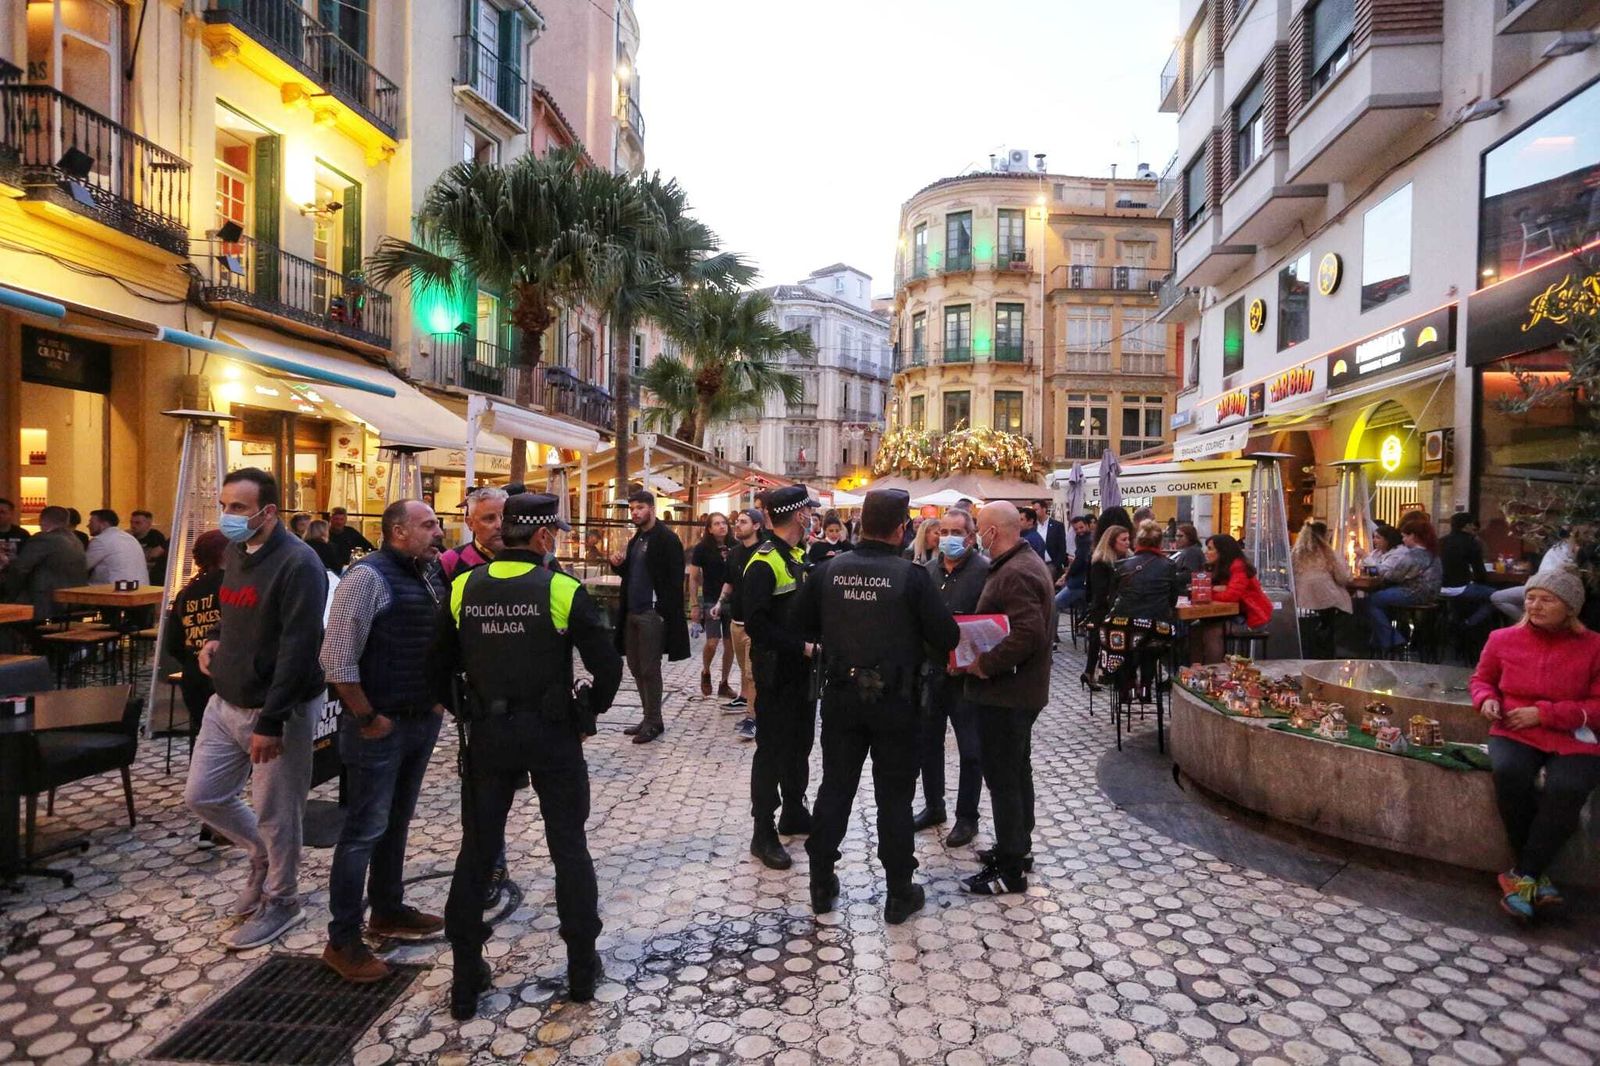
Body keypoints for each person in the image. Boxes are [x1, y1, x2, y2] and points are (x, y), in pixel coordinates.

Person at [429, 492, 623, 1018]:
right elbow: (607, 667)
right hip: (552, 734)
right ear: (542, 536)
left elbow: (435, 666)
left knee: (476, 852)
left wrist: (466, 710)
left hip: (489, 735)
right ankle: (580, 969)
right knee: (569, 848)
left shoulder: (463, 586)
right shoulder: (560, 588)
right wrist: (590, 710)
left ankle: (465, 978)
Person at [794, 488, 959, 923]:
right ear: (902, 528)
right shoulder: (912, 577)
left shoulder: (828, 571)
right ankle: (899, 892)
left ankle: (820, 881)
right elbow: (947, 636)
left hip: (841, 696)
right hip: (897, 702)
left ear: (861, 525)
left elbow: (801, 624)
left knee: (835, 788)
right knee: (894, 797)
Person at [184, 468, 328, 951]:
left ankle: (282, 899)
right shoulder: (235, 552)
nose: (227, 516)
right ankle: (261, 856)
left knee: (277, 812)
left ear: (268, 512)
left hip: (277, 708)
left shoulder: (299, 563)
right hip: (225, 699)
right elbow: (234, 609)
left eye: (238, 508)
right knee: (203, 795)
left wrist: (272, 720)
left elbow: (299, 648)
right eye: (224, 505)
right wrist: (214, 638)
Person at [318, 499, 449, 983]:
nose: (439, 532)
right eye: (428, 525)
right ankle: (342, 940)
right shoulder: (367, 578)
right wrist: (367, 717)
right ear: (398, 532)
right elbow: (336, 657)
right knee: (363, 831)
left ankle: (388, 908)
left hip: (418, 719)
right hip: (379, 726)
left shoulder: (427, 575)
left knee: (396, 821)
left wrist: (436, 700)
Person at [1471, 569, 1600, 921]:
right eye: (1531, 598)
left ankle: (1524, 874)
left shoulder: (1593, 647)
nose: (1535, 605)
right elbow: (1482, 680)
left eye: (1547, 599)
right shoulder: (1502, 638)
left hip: (1571, 734)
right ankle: (1533, 878)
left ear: (1570, 607)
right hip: (1514, 728)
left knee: (1568, 787)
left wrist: (1545, 714)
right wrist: (1486, 700)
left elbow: (1596, 705)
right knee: (1509, 772)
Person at [960, 503, 1054, 895]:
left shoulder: (1016, 572)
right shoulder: (1021, 563)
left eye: (978, 528)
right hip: (1016, 692)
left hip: (1008, 694)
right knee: (1016, 771)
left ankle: (1011, 869)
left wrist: (986, 664)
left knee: (1004, 779)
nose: (975, 536)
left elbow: (1028, 633)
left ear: (993, 532)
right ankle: (1017, 845)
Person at [744, 485, 819, 870]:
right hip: (776, 673)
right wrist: (802, 647)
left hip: (801, 674)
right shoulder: (764, 562)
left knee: (799, 744)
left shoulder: (797, 555)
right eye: (810, 512)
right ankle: (763, 831)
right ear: (801, 515)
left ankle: (793, 809)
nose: (813, 517)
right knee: (771, 750)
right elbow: (755, 624)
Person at [913, 507, 989, 847]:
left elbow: (991, 624)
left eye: (955, 533)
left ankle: (967, 816)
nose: (947, 538)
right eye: (942, 532)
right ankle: (934, 806)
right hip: (932, 672)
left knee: (971, 749)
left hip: (967, 676)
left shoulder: (984, 572)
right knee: (929, 744)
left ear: (970, 537)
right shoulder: (927, 571)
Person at [607, 489, 689, 744]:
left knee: (649, 668)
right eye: (632, 509)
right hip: (632, 610)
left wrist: (665, 612)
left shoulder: (666, 539)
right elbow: (632, 573)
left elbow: (675, 580)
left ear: (652, 509)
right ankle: (648, 717)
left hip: (652, 613)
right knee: (634, 666)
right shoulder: (638, 538)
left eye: (640, 508)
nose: (635, 513)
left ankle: (654, 721)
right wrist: (618, 565)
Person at [164, 529, 229, 751]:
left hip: (194, 676)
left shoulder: (185, 592)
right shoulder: (235, 586)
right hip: (228, 677)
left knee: (205, 740)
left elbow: (173, 643)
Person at [1096, 520, 1181, 685]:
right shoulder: (1169, 565)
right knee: (1152, 647)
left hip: (1124, 626)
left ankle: (1122, 679)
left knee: (1122, 642)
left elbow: (1113, 599)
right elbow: (1173, 599)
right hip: (1157, 627)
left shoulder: (1122, 565)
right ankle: (1146, 684)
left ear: (1137, 542)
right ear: (1160, 542)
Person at [714, 508, 765, 739]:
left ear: (756, 525)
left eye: (743, 521)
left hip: (755, 625)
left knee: (753, 674)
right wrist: (719, 602)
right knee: (746, 672)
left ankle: (753, 719)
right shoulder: (734, 553)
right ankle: (751, 708)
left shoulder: (765, 552)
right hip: (736, 621)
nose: (737, 525)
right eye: (737, 521)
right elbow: (729, 582)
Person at [1364, 517, 1442, 651]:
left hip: (1413, 592)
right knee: (1381, 601)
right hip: (1431, 594)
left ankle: (1393, 640)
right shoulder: (1431, 552)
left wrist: (1373, 569)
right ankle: (1380, 641)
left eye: (1405, 536)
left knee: (1372, 600)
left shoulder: (1413, 555)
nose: (1403, 540)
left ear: (1413, 536)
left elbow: (1393, 576)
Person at [0, 505, 87, 621]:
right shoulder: (76, 540)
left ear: (43, 521)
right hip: (70, 601)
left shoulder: (44, 538)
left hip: (45, 600)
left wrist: (9, 592)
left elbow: (20, 569)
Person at [690, 513, 737, 699]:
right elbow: (693, 577)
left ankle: (724, 683)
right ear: (709, 529)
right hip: (710, 599)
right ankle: (706, 671)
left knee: (730, 644)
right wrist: (694, 604)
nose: (721, 526)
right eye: (716, 524)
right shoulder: (702, 548)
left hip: (732, 601)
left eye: (724, 523)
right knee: (712, 642)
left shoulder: (735, 545)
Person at [1292, 521, 1352, 658]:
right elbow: (1343, 578)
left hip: (1303, 602)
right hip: (1328, 600)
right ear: (1325, 536)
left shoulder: (1296, 554)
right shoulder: (1329, 554)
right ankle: (1332, 648)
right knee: (1339, 614)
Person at [1083, 525, 1132, 690]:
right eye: (1123, 539)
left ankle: (1092, 673)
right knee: (1099, 638)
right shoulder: (1101, 562)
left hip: (1119, 606)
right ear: (1111, 542)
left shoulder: (1128, 559)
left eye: (1128, 539)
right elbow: (1100, 591)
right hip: (1103, 607)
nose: (1128, 542)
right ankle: (1093, 673)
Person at [1493, 532, 1579, 623]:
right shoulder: (1557, 546)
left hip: (1551, 586)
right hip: (1540, 583)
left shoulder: (1572, 548)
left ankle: (1529, 622)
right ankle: (1530, 621)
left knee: (1497, 597)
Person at [1439, 512, 1496, 630]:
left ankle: (1452, 621)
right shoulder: (1471, 542)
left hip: (1439, 588)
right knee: (1497, 596)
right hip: (1460, 588)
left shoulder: (1441, 541)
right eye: (1472, 525)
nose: (1474, 527)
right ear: (1466, 526)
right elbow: (1479, 570)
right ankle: (1468, 623)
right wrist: (1482, 583)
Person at [1206, 534, 1273, 630]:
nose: (1206, 552)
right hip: (1235, 613)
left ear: (1222, 551)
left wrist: (1209, 592)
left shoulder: (1239, 566)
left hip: (1252, 617)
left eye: (1210, 549)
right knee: (1201, 627)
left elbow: (1230, 596)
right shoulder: (1219, 567)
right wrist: (1214, 589)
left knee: (1211, 629)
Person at [440, 487, 506, 581]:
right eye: (489, 518)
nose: (499, 525)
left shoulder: (524, 557)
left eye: (504, 518)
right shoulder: (450, 560)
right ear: (470, 523)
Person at [1054, 514, 1094, 614]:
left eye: (1081, 527)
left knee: (1055, 604)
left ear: (1087, 525)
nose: (1079, 531)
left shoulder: (1086, 541)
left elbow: (1079, 561)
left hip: (1079, 582)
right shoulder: (1084, 539)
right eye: (1076, 529)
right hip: (1083, 581)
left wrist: (1067, 576)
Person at [130, 509, 169, 587]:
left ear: (148, 523)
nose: (133, 526)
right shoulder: (128, 537)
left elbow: (153, 555)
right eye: (131, 522)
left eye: (138, 523)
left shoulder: (155, 536)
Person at [1035, 500, 1068, 578]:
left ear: (1044, 509)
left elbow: (1062, 547)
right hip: (1036, 565)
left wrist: (1056, 565)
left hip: (1051, 565)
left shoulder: (1057, 526)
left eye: (1036, 510)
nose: (1034, 512)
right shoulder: (1033, 526)